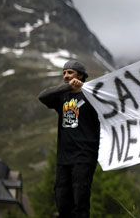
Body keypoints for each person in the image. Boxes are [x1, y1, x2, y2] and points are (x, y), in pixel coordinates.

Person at [39, 60, 100, 218]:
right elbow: (42, 96)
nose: (66, 76)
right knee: (62, 202)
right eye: (64, 73)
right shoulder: (62, 97)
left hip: (84, 156)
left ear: (80, 75)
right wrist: (68, 87)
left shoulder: (92, 97)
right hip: (63, 159)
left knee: (80, 202)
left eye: (70, 72)